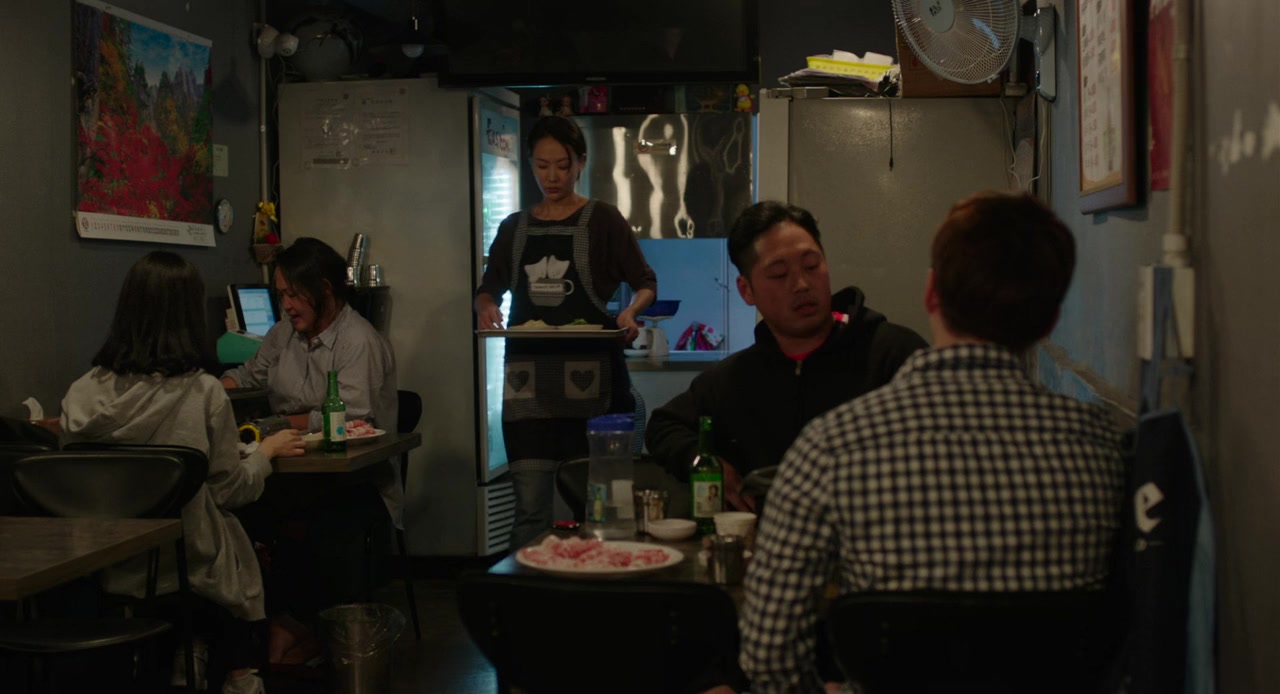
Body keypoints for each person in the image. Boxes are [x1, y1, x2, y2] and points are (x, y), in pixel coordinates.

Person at [739, 192, 1128, 692]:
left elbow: (768, 654)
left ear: (931, 293)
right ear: (1049, 322)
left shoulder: (831, 447)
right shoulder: (1099, 445)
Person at [61, 251, 306, 694]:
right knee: (245, 535)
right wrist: (266, 453)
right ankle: (237, 673)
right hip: (184, 565)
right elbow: (231, 491)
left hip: (107, 567)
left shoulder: (81, 393)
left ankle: (191, 652)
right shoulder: (203, 393)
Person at [646, 201, 926, 511]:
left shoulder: (896, 355)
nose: (802, 285)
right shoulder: (735, 379)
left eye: (812, 266)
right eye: (779, 274)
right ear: (746, 290)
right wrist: (703, 461)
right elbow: (663, 427)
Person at [474, 115, 657, 548]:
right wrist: (486, 308)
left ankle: (596, 585)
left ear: (581, 163)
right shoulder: (513, 228)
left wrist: (631, 312)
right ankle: (525, 589)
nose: (552, 176)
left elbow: (645, 282)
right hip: (528, 392)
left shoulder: (604, 220)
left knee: (600, 513)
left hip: (596, 391)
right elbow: (488, 289)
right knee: (529, 513)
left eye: (562, 165)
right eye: (542, 166)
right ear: (530, 165)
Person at [220, 237, 400, 523]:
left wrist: (275, 426)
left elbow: (350, 417)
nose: (286, 306)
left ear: (325, 290)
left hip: (352, 486)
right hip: (291, 476)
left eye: (293, 295)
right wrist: (210, 394)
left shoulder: (358, 341)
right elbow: (247, 377)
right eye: (281, 296)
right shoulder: (282, 334)